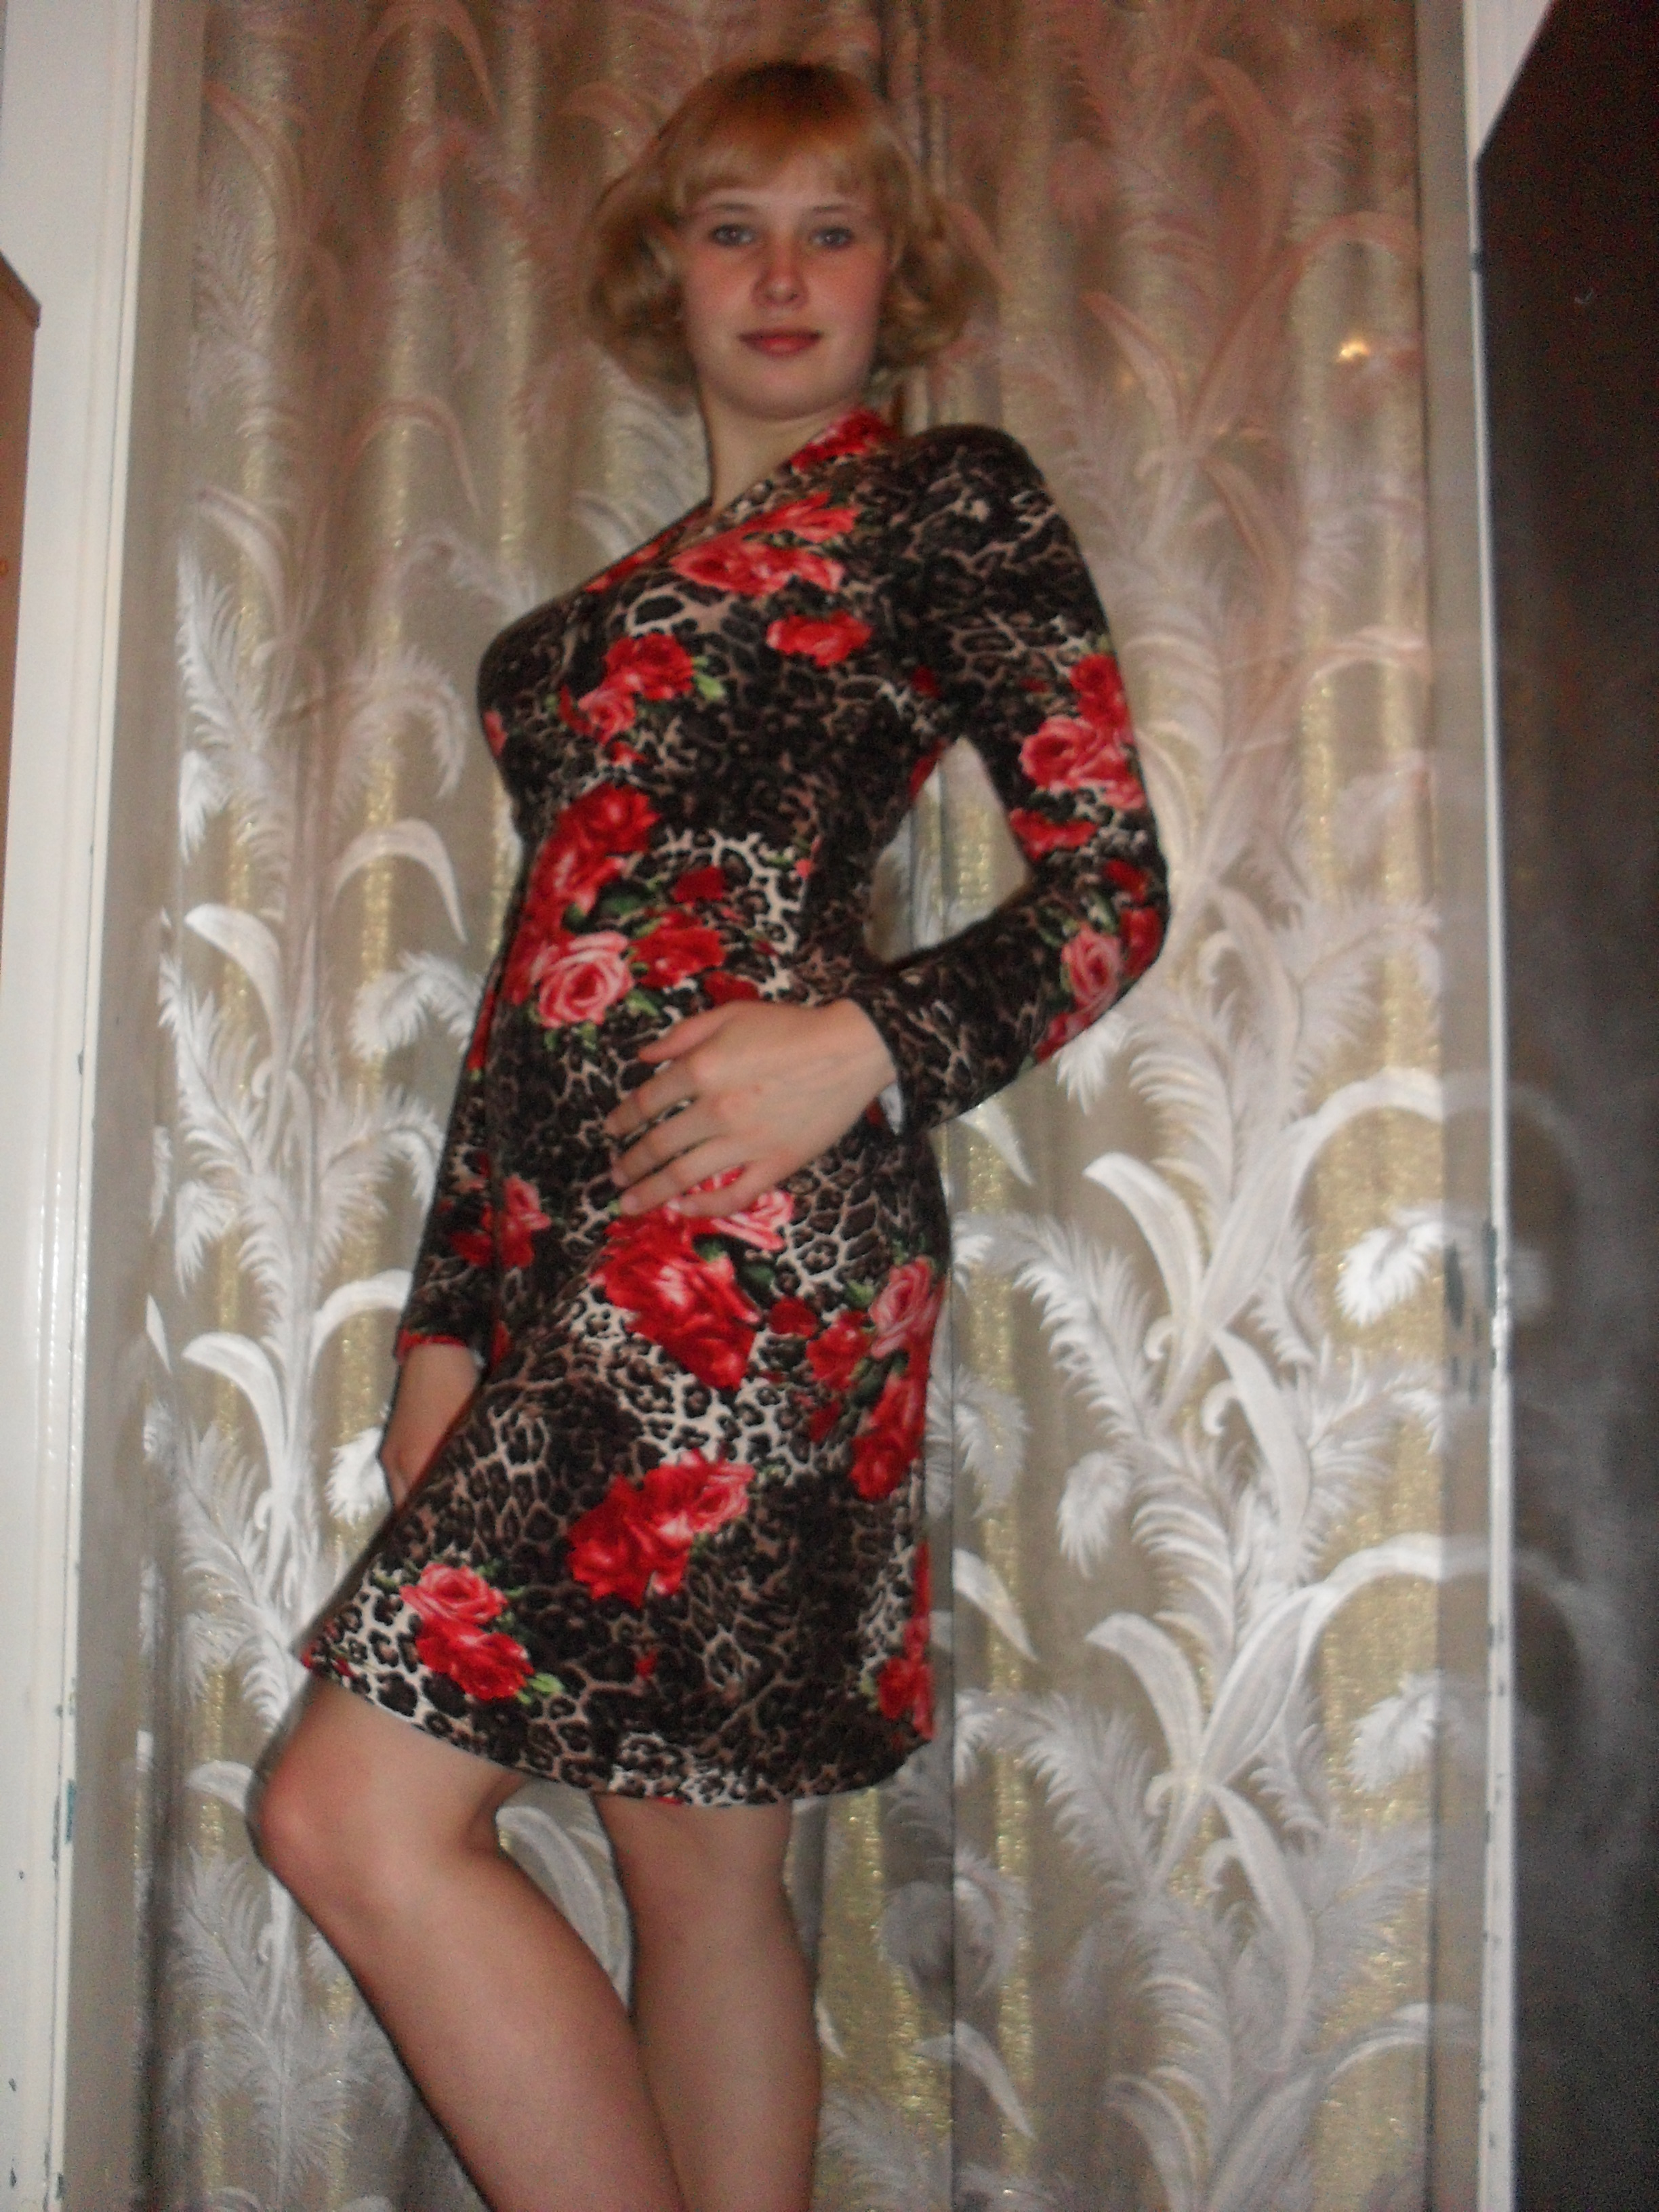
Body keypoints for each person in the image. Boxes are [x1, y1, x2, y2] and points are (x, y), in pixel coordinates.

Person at [257, 56, 1168, 2212]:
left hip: (759, 1234)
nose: (780, 274)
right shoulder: (586, 626)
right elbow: (538, 978)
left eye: (830, 231)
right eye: (733, 228)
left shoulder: (942, 500)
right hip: (579, 1242)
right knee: (694, 1866)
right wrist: (451, 1319)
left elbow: (1112, 886)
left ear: (893, 275)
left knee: (350, 1820)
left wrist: (863, 1042)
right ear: (666, 271)